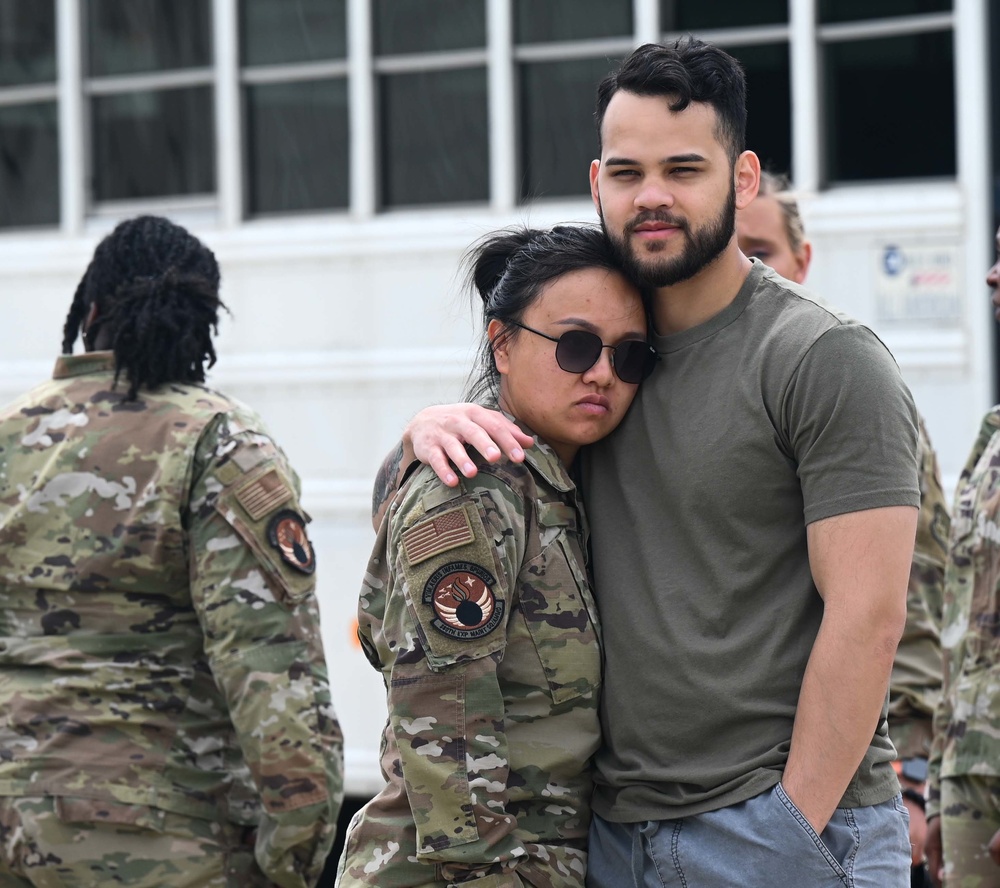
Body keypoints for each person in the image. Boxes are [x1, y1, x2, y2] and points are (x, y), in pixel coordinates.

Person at [384, 38, 921, 886]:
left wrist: (788, 832)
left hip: (774, 833)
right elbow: (472, 515)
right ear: (598, 184)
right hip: (611, 837)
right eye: (628, 173)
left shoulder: (823, 358)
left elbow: (871, 616)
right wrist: (421, 432)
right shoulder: (596, 367)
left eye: (684, 168)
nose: (654, 197)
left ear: (742, 181)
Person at [0, 215, 343, 888]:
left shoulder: (9, 435)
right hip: (164, 839)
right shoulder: (219, 443)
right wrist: (295, 858)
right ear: (202, 326)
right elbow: (273, 673)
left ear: (91, 310)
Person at [337, 225, 657, 887]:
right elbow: (441, 714)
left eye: (629, 357)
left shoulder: (563, 485)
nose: (602, 372)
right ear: (502, 344)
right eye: (575, 346)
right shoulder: (478, 488)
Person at [738, 170, 951, 886]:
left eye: (760, 250)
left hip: (831, 790)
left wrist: (915, 776)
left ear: (802, 262)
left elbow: (913, 604)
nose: (742, 264)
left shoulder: (840, 385)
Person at [924, 226, 1000, 887]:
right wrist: (940, 784)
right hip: (973, 766)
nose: (992, 275)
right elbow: (960, 624)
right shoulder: (993, 435)